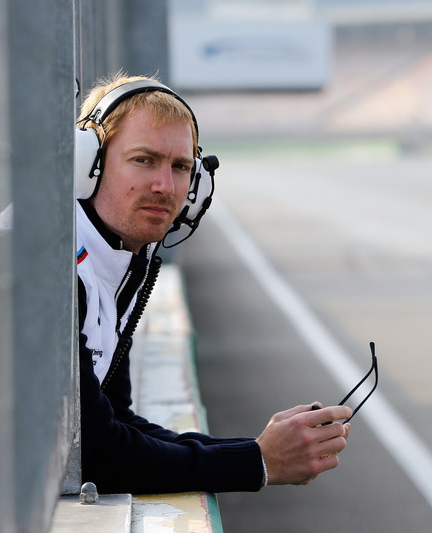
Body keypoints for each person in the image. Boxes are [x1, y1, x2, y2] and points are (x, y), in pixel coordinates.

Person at [75, 72, 351, 494]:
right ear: (87, 164)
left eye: (180, 167)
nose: (165, 187)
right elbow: (96, 452)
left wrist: (258, 449)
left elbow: (115, 417)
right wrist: (258, 461)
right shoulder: (50, 270)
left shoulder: (114, 256)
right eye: (143, 160)